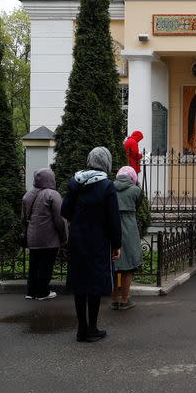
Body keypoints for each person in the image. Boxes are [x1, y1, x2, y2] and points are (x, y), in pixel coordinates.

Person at [61, 147, 122, 343]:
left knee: (80, 284)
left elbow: (65, 210)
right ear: (106, 163)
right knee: (94, 283)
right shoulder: (106, 186)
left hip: (77, 239)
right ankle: (92, 328)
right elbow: (114, 219)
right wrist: (116, 244)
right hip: (98, 240)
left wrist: (80, 221)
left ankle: (81, 328)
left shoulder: (74, 182)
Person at [23, 168, 66, 301]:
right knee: (46, 265)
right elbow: (60, 219)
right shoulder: (53, 195)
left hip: (32, 236)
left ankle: (31, 292)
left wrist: (26, 232)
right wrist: (64, 236)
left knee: (34, 264)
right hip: (49, 237)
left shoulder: (28, 195)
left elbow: (23, 218)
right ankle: (42, 292)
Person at [111, 166, 143, 310]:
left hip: (112, 225)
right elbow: (138, 204)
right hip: (129, 227)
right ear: (132, 177)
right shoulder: (136, 190)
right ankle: (125, 299)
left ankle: (114, 299)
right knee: (128, 267)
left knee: (115, 265)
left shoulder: (110, 188)